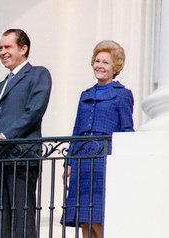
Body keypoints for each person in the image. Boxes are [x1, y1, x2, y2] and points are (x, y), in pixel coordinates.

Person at [0, 29, 52, 237]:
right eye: (0, 48)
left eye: (8, 47)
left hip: (22, 157)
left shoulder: (38, 73)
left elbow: (34, 111)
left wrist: (3, 135)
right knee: (1, 221)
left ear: (23, 48)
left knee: (22, 219)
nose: (2, 52)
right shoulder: (2, 84)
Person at [62, 40, 134, 238]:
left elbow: (127, 129)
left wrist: (124, 162)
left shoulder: (123, 94)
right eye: (97, 61)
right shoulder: (85, 94)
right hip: (82, 162)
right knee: (84, 220)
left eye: (106, 62)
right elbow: (76, 131)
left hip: (104, 162)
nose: (99, 66)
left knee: (98, 219)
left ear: (116, 67)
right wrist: (68, 163)